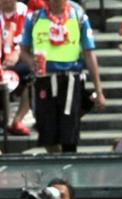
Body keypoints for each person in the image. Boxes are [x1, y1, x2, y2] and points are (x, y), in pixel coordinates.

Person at [19, 0, 106, 153]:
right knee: (47, 135)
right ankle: (57, 167)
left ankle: (68, 170)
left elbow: (89, 53)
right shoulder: (33, 19)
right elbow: (23, 49)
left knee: (69, 135)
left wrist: (99, 90)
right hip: (44, 80)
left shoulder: (79, 18)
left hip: (71, 80)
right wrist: (31, 62)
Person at [1, 0, 32, 135]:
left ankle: (18, 119)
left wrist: (18, 52)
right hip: (2, 62)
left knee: (30, 72)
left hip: (19, 60)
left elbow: (29, 38)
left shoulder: (24, 12)